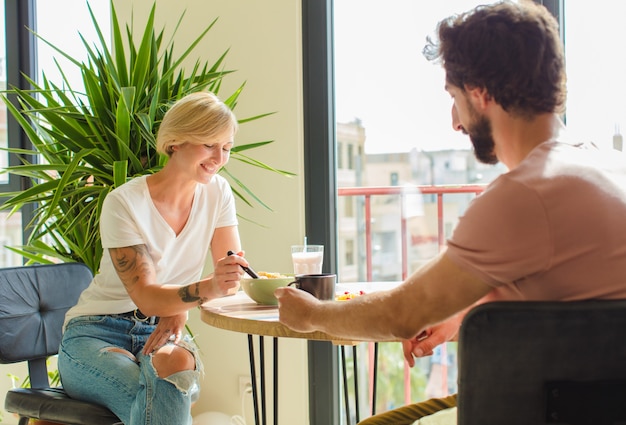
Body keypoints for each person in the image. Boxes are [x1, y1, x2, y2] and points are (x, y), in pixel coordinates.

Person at [275, 1, 626, 424]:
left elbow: (402, 313)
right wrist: (463, 313)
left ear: (480, 91)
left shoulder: (522, 196)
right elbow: (574, 303)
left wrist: (311, 314)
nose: (455, 122)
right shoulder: (610, 169)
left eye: (454, 98)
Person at [58, 91, 251, 425]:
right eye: (209, 144)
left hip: (164, 330)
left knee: (172, 373)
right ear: (175, 141)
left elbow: (230, 276)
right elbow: (147, 297)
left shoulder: (218, 192)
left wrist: (182, 307)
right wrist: (187, 300)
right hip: (96, 332)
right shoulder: (123, 203)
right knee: (158, 395)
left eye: (227, 147)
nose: (219, 157)